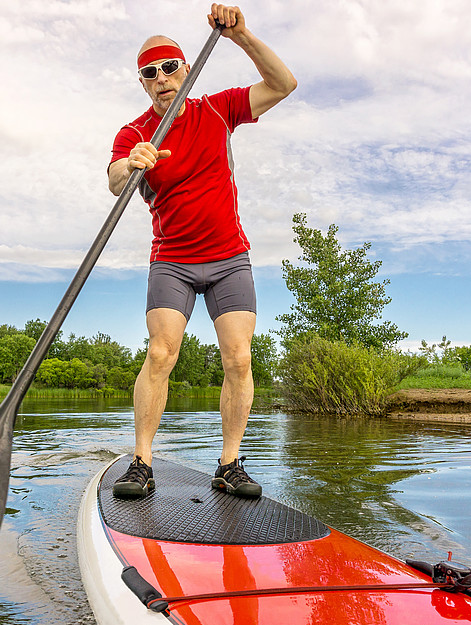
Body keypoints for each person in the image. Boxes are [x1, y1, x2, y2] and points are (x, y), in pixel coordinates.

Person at [107, 4, 296, 499]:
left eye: (170, 67)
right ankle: (142, 462)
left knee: (239, 357)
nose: (161, 78)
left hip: (230, 257)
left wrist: (242, 36)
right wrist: (131, 163)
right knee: (161, 353)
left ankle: (229, 464)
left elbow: (283, 84)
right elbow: (113, 181)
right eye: (150, 73)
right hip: (172, 260)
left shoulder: (218, 108)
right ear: (143, 83)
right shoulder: (134, 133)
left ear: (185, 69)